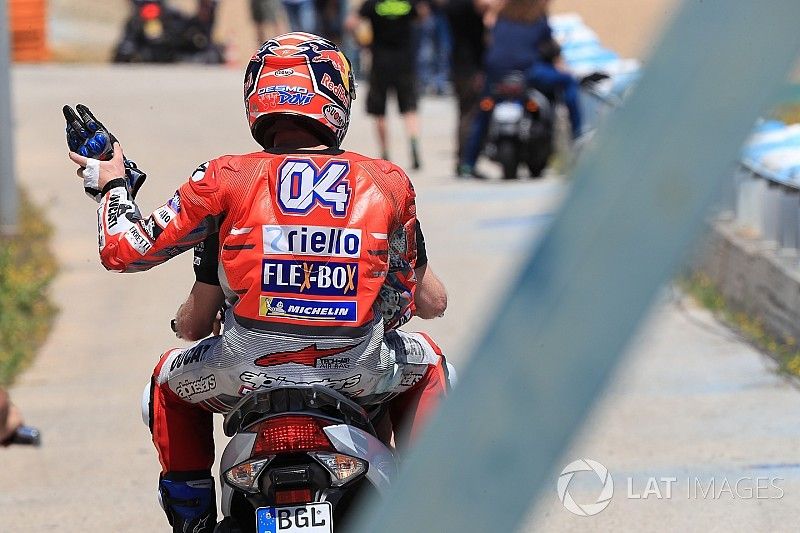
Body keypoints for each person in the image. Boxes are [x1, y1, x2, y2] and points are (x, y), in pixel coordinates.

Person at [68, 33, 450, 533]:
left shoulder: (223, 177)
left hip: (245, 370)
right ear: (336, 96)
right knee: (430, 362)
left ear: (256, 97)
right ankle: (433, 507)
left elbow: (123, 252)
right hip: (356, 369)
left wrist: (113, 184)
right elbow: (426, 300)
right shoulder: (387, 181)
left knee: (167, 381)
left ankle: (196, 522)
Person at [458, 0, 582, 178]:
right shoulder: (537, 18)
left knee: (483, 114)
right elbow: (550, 48)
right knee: (569, 82)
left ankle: (468, 163)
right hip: (527, 71)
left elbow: (490, 41)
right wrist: (561, 66)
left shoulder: (501, 16)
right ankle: (577, 134)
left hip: (496, 73)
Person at [346, 0, 424, 169]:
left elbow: (351, 23)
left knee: (379, 110)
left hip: (380, 62)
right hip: (405, 61)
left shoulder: (373, 4)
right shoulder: (408, 3)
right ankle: (413, 143)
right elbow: (422, 15)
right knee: (409, 107)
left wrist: (361, 41)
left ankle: (385, 151)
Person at [445, 0, 488, 174]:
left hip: (461, 67)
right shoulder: (467, 7)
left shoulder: (453, 7)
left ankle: (465, 160)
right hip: (470, 68)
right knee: (471, 115)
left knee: (466, 113)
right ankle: (466, 161)